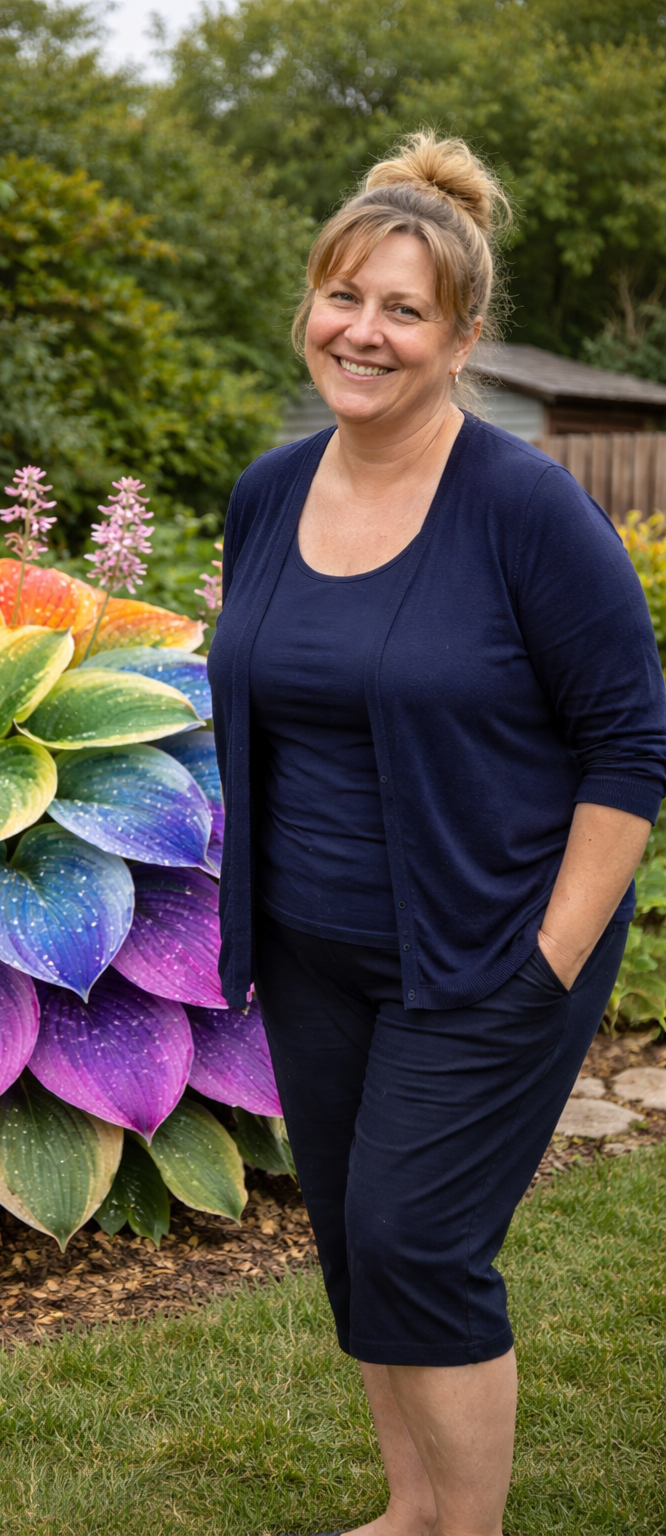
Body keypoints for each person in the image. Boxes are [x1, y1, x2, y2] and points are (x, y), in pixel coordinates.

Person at [207, 131, 666, 1536]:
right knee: (361, 1241)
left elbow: (630, 747)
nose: (364, 331)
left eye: (404, 309)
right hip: (312, 950)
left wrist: (549, 962)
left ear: (462, 339)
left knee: (420, 1240)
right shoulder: (269, 494)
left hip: (484, 947)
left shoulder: (526, 508)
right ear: (310, 303)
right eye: (343, 296)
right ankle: (413, 1511)